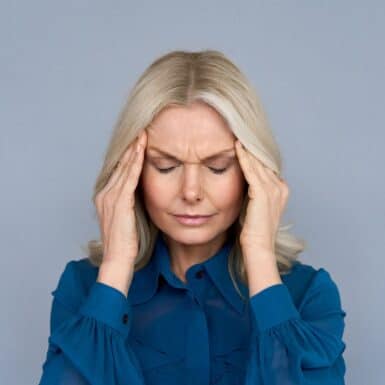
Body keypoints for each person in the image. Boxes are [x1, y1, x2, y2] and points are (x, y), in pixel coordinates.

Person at [38, 50, 347, 385]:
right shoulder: (84, 288)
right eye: (166, 166)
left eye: (217, 167)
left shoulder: (308, 294)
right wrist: (116, 266)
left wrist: (259, 253)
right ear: (133, 173)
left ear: (251, 171)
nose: (191, 191)